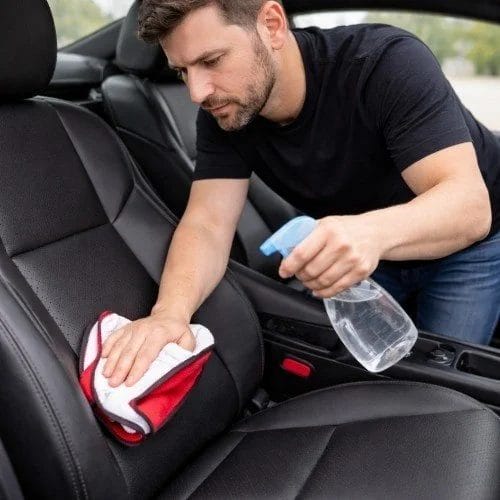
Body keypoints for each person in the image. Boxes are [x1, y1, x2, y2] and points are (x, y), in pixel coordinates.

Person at [101, 0, 500, 388]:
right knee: (352, 381)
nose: (197, 92)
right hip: (362, 254)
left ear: (272, 25)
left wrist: (369, 234)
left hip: (465, 251)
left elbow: (469, 208)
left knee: (444, 390)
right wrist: (169, 314)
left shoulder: (383, 64)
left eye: (212, 60)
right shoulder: (225, 112)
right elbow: (207, 223)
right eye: (183, 71)